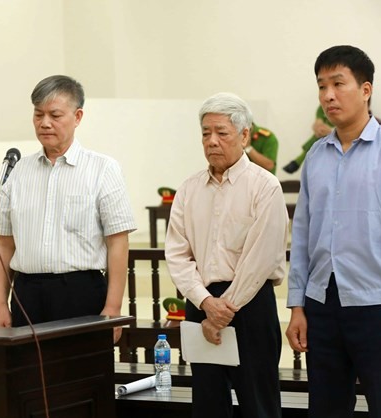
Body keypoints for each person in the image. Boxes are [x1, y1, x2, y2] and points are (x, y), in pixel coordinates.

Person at [286, 45, 381, 418]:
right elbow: (302, 235)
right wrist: (297, 305)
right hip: (321, 304)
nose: (328, 95)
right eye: (321, 86)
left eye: (337, 83)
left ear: (365, 90)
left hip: (377, 306)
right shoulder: (316, 156)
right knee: (327, 409)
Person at [165, 92, 289, 418]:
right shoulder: (189, 189)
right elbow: (177, 254)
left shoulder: (265, 186)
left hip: (249, 306)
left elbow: (260, 259)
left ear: (245, 135)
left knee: (258, 404)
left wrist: (223, 309)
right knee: (207, 404)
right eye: (206, 133)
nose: (212, 141)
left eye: (222, 132)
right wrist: (205, 303)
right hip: (201, 303)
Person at [0, 75, 136, 342]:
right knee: (30, 378)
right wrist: (1, 304)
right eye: (38, 115)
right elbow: (3, 243)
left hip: (81, 293)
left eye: (55, 115)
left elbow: (117, 242)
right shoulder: (18, 172)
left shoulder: (103, 169)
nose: (45, 123)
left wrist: (113, 308)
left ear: (77, 116)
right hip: (27, 294)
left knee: (81, 376)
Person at [282, 105, 333, 173]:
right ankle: (298, 162)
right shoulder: (323, 106)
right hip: (323, 139)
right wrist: (319, 127)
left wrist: (332, 132)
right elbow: (318, 121)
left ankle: (298, 161)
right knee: (318, 137)